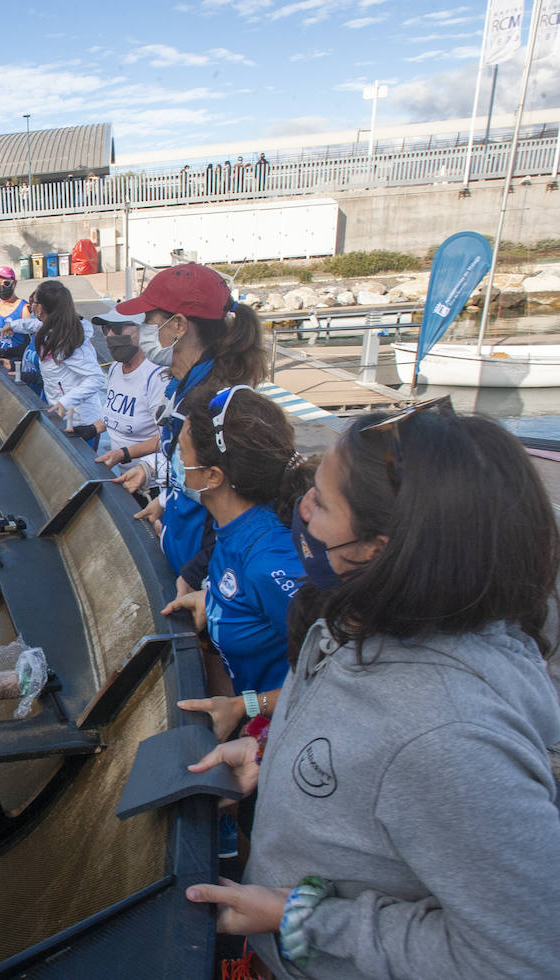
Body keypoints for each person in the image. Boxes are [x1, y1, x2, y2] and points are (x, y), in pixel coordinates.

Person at [185, 400, 560, 979]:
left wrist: (307, 920)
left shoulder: (449, 739)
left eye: (322, 502)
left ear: (379, 551)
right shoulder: (360, 616)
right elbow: (360, 749)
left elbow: (523, 955)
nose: (301, 506)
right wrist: (270, 753)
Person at [113, 263, 267, 596]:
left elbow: (236, 509)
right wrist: (164, 500)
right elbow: (186, 471)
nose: (143, 331)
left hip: (201, 584)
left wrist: (195, 575)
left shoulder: (213, 406)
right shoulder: (182, 387)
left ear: (179, 325)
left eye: (150, 320)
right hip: (181, 559)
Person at [161, 386, 311, 725]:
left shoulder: (268, 560)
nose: (176, 462)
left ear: (213, 476)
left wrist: (247, 707)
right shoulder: (233, 530)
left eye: (181, 452)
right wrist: (215, 600)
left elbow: (331, 678)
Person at [1, 281, 104, 438]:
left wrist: (66, 401)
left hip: (80, 420)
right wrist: (13, 326)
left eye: (34, 303)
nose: (31, 307)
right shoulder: (51, 327)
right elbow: (33, 324)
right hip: (61, 413)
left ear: (41, 308)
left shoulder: (70, 341)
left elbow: (96, 378)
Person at [92, 308, 167, 485]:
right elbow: (114, 415)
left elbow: (167, 438)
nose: (109, 335)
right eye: (106, 329)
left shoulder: (157, 376)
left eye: (117, 328)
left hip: (151, 483)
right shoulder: (116, 369)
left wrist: (124, 453)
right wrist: (90, 429)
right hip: (126, 476)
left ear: (143, 331)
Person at [0, 265, 31, 365]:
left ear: (14, 284)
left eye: (6, 283)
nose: (1, 287)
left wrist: (9, 352)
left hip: (14, 364)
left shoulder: (24, 308)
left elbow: (32, 344)